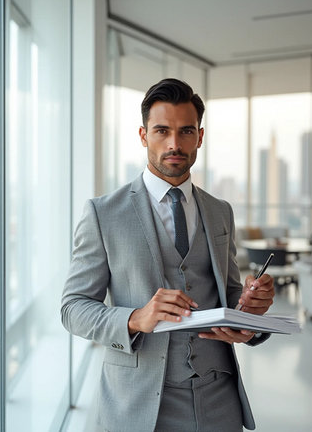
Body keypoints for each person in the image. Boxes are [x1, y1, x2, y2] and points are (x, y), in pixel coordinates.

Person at [61, 78, 275, 432]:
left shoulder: (221, 211)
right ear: (144, 135)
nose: (174, 144)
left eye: (186, 131)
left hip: (219, 400)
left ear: (200, 137)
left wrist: (251, 310)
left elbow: (231, 293)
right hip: (140, 404)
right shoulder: (103, 213)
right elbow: (73, 308)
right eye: (162, 131)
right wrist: (135, 318)